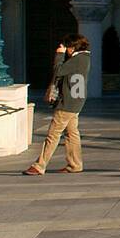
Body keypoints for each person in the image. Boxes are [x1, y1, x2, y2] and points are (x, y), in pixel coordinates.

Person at [24, 35, 91, 175]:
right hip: (76, 102)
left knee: (53, 134)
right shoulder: (84, 58)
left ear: (72, 47)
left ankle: (39, 165)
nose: (66, 50)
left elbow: (58, 70)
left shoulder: (77, 59)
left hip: (67, 103)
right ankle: (75, 164)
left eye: (67, 47)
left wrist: (59, 55)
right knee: (71, 133)